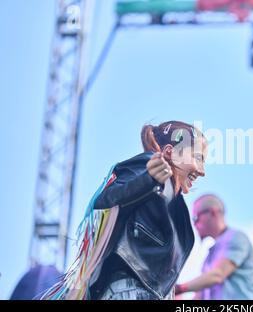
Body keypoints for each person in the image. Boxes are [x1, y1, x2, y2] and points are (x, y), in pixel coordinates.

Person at [41, 121, 207, 300]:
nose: (202, 171)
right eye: (198, 158)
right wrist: (148, 179)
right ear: (169, 152)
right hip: (129, 291)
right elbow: (106, 199)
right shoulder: (146, 166)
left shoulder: (175, 205)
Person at [175, 194, 253, 300]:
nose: (194, 224)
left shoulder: (237, 238)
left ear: (213, 212)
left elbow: (217, 275)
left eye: (196, 218)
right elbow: (201, 291)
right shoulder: (211, 254)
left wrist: (178, 289)